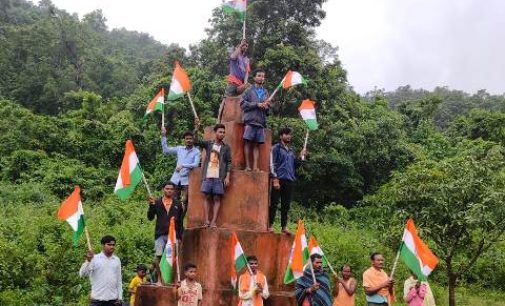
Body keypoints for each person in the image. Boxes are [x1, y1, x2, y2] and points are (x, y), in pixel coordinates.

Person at [269, 127, 306, 234]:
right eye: (286, 134)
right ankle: (270, 225)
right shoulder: (276, 148)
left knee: (286, 205)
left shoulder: (291, 151)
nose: (289, 136)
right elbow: (272, 164)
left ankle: (284, 227)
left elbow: (295, 165)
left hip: (289, 180)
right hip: (278, 179)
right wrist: (274, 178)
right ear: (281, 136)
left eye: (290, 134)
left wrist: (301, 156)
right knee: (274, 203)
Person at [194, 123, 232, 228]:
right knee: (206, 196)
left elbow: (229, 162)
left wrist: (227, 176)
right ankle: (206, 220)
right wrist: (196, 129)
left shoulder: (226, 147)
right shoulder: (209, 144)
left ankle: (213, 222)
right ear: (215, 133)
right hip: (208, 174)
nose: (222, 134)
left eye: (224, 132)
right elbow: (196, 142)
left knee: (216, 198)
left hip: (219, 176)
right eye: (220, 132)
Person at [148, 181, 184, 285]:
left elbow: (180, 222)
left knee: (173, 257)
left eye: (171, 189)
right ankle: (160, 280)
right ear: (163, 189)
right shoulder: (157, 202)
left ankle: (174, 280)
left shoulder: (178, 204)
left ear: (174, 191)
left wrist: (180, 236)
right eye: (167, 188)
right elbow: (150, 217)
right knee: (158, 257)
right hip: (160, 234)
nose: (169, 190)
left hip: (174, 235)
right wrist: (151, 206)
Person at [160, 127, 201, 214]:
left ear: (193, 140)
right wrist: (163, 136)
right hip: (175, 179)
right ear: (184, 140)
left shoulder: (196, 151)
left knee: (184, 201)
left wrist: (183, 165)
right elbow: (166, 151)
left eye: (190, 138)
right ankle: (170, 219)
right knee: (171, 200)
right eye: (187, 139)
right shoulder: (179, 149)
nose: (189, 140)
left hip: (187, 181)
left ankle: (180, 220)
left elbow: (195, 164)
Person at [79, 235, 123, 306]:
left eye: (113, 245)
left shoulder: (117, 260)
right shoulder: (94, 259)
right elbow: (82, 274)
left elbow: (119, 280)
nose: (112, 247)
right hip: (97, 301)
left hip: (113, 301)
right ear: (103, 245)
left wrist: (120, 298)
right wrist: (88, 261)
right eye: (109, 244)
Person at [240, 69, 270, 171]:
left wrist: (266, 107)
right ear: (255, 78)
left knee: (257, 145)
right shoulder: (249, 90)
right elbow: (242, 104)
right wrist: (256, 104)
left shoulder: (265, 92)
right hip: (250, 121)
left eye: (263, 76)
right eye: (259, 75)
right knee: (248, 142)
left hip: (261, 122)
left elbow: (268, 111)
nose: (261, 78)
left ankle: (255, 167)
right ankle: (248, 166)